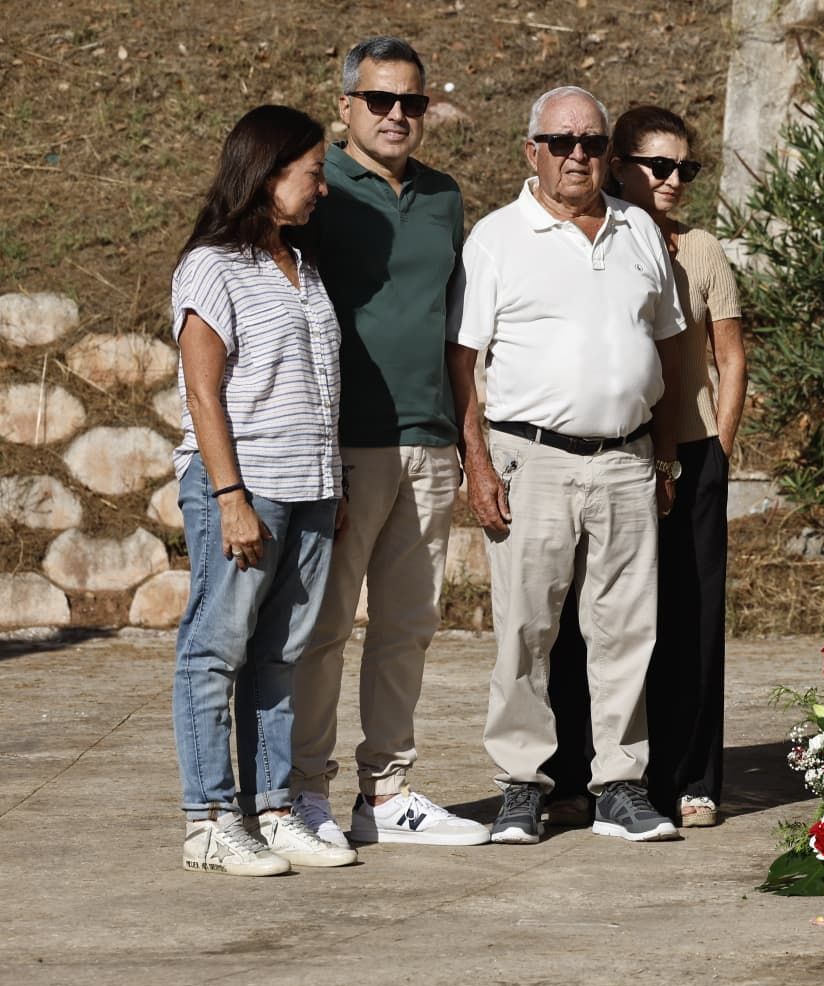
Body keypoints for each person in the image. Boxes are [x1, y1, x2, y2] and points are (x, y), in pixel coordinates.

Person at [448, 85, 685, 845]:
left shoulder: (638, 229)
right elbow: (462, 361)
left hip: (627, 458)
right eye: (561, 142)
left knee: (627, 631)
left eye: (591, 142)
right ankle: (523, 786)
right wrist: (477, 462)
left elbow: (667, 343)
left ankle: (620, 785)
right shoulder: (495, 238)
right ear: (533, 151)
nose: (577, 155)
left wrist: (666, 453)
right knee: (525, 631)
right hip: (532, 460)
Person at [287, 37, 487, 848]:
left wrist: (469, 444)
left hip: (427, 442)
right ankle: (304, 793)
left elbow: (456, 333)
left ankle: (386, 793)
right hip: (343, 446)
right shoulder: (316, 187)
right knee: (324, 629)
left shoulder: (443, 197)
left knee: (407, 626)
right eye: (380, 99)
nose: (397, 114)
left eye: (412, 101)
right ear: (345, 107)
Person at [544, 106, 745, 828]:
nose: (674, 180)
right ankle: (576, 776)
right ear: (619, 165)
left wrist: (717, 448)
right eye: (659, 166)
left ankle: (690, 778)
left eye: (686, 168)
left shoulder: (703, 251)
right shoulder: (591, 243)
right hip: (611, 451)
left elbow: (730, 358)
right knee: (590, 619)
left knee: (692, 616)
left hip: (690, 454)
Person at [171, 104, 356, 875]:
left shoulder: (302, 267)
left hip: (310, 491)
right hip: (247, 489)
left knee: (280, 656)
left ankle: (274, 812)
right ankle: (210, 821)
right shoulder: (212, 265)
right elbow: (202, 393)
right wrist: (229, 497)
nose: (322, 188)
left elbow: (316, 386)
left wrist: (333, 487)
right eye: (313, 173)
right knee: (214, 653)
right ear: (268, 173)